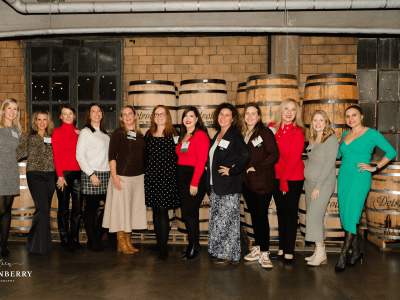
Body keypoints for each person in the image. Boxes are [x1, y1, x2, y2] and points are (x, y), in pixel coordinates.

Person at [335, 105, 397, 272]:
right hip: (344, 177)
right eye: (347, 116)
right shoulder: (345, 134)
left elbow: (391, 151)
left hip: (360, 176)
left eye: (354, 115)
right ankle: (356, 253)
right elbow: (338, 155)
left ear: (361, 116)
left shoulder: (372, 133)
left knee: (352, 214)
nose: (350, 119)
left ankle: (343, 256)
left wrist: (375, 167)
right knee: (345, 216)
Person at [207, 102, 251, 265]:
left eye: (227, 115)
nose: (223, 117)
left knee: (228, 222)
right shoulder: (218, 135)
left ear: (232, 119)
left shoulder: (234, 135)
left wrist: (232, 170)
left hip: (228, 186)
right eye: (220, 114)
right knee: (218, 222)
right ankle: (219, 250)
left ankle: (228, 254)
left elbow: (245, 154)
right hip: (216, 186)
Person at [103, 105, 147, 254]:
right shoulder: (118, 133)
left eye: (130, 113)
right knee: (120, 211)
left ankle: (128, 240)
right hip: (122, 177)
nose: (127, 116)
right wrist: (114, 176)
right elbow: (111, 156)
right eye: (124, 114)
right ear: (121, 118)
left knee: (132, 211)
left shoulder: (141, 135)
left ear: (135, 116)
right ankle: (121, 240)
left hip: (138, 178)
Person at [241, 102, 279, 268]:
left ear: (258, 116)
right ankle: (257, 247)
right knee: (255, 217)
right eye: (247, 114)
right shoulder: (246, 133)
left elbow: (274, 155)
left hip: (263, 182)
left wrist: (257, 167)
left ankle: (265, 253)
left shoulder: (265, 132)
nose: (250, 116)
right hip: (248, 184)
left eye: (253, 113)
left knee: (261, 218)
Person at [268, 98, 305, 264]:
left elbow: (294, 159)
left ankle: (289, 250)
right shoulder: (272, 128)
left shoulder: (297, 132)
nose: (289, 112)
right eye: (286, 109)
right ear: (280, 111)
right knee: (281, 213)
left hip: (292, 178)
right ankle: (282, 247)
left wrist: (284, 180)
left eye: (293, 109)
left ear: (296, 113)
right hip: (276, 177)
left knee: (290, 214)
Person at [16, 109, 56, 255]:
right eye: (39, 119)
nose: (42, 123)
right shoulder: (27, 136)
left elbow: (60, 153)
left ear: (48, 121)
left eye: (44, 119)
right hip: (34, 175)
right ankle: (34, 242)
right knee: (42, 207)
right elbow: (18, 153)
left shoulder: (53, 136)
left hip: (51, 175)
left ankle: (44, 244)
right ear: (35, 121)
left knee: (45, 210)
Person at [144, 105, 180, 261]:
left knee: (163, 212)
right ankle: (159, 243)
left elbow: (179, 157)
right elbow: (145, 156)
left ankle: (164, 248)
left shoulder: (174, 134)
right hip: (152, 178)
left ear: (167, 116)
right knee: (156, 212)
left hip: (167, 178)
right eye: (156, 114)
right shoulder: (149, 134)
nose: (159, 117)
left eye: (162, 114)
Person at [303, 110, 339, 266]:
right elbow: (312, 162)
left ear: (326, 122)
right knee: (317, 218)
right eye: (315, 120)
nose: (318, 123)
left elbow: (328, 164)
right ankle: (318, 253)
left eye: (321, 120)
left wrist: (318, 185)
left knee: (312, 216)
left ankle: (321, 252)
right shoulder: (312, 139)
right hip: (309, 183)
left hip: (323, 183)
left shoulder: (330, 139)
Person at [176, 106, 209, 261]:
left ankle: (194, 246)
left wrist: (194, 182)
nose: (187, 118)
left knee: (190, 214)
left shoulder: (200, 135)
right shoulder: (184, 135)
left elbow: (201, 160)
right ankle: (194, 244)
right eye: (185, 116)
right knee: (188, 213)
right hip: (182, 178)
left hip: (194, 178)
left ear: (197, 119)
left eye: (191, 115)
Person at [76, 103, 110, 252]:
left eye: (99, 111)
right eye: (93, 111)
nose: (97, 113)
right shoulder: (85, 132)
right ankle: (93, 240)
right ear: (89, 114)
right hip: (92, 174)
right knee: (91, 209)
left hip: (106, 174)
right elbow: (79, 155)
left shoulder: (104, 133)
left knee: (109, 208)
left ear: (102, 114)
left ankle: (97, 234)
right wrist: (91, 174)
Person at [52, 103, 83, 252]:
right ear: (60, 116)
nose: (68, 116)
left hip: (78, 173)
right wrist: (59, 176)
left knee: (77, 209)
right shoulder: (57, 132)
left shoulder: (79, 132)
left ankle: (74, 239)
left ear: (74, 116)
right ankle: (64, 239)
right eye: (65, 114)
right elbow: (56, 156)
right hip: (63, 174)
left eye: (70, 113)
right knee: (63, 208)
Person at [0, 98, 22, 257]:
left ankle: (4, 245)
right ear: (3, 110)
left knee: (7, 208)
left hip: (12, 171)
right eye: (10, 108)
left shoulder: (17, 131)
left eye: (15, 109)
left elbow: (21, 152)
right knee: (0, 209)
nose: (12, 112)